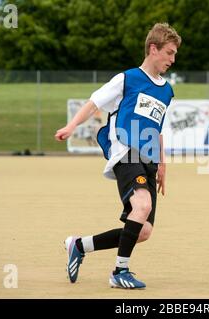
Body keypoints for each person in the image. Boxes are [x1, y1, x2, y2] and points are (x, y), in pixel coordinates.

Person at [54, 23, 182, 289]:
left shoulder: (167, 91)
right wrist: (72, 126)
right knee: (142, 206)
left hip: (147, 160)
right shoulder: (128, 78)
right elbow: (94, 102)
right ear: (153, 48)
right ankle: (119, 272)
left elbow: (158, 129)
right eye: (169, 53)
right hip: (126, 153)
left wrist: (162, 164)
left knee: (143, 230)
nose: (172, 59)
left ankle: (79, 245)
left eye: (175, 54)